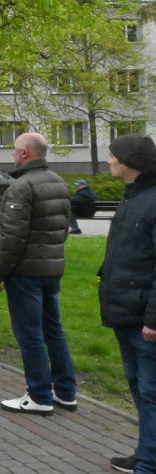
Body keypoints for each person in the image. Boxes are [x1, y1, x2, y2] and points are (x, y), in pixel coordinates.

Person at [0, 132, 77, 416]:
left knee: (30, 333)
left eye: (15, 150)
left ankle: (39, 394)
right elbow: (63, 228)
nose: (13, 154)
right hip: (51, 269)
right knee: (53, 329)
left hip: (25, 272)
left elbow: (12, 238)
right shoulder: (58, 182)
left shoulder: (22, 186)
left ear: (25, 153)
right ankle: (65, 392)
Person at [99, 134, 156, 474]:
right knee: (140, 389)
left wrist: (153, 319)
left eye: (113, 156)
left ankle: (148, 464)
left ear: (130, 163)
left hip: (144, 319)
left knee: (150, 393)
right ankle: (147, 452)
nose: (108, 161)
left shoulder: (151, 201)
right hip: (125, 311)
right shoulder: (132, 197)